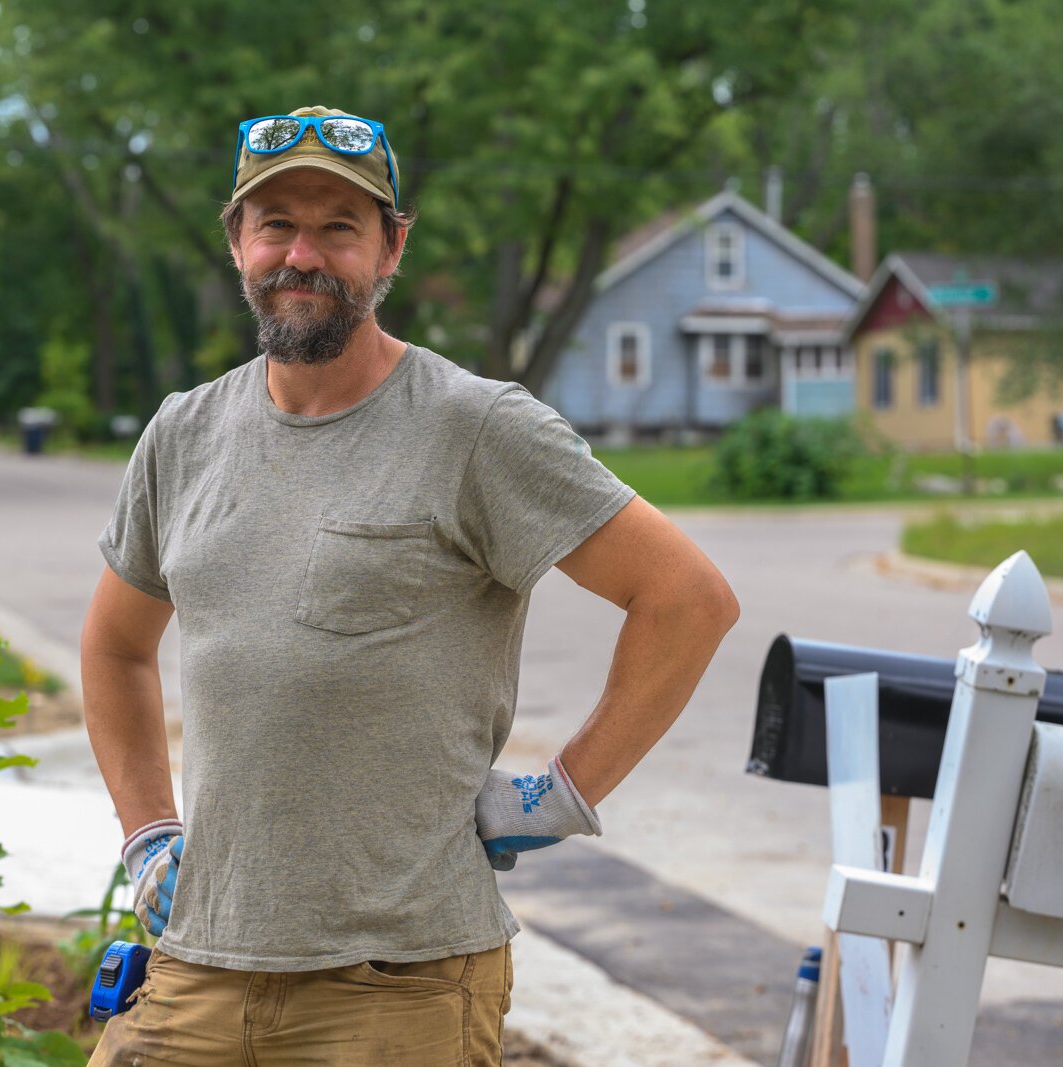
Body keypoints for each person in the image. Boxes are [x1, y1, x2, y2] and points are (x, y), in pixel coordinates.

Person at [80, 105, 739, 1066]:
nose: (302, 254)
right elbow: (114, 644)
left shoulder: (477, 428)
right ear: (238, 242)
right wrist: (147, 833)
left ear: (391, 249)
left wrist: (558, 794)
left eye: (339, 227)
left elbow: (688, 598)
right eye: (277, 225)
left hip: (399, 985)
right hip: (200, 963)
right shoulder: (183, 434)